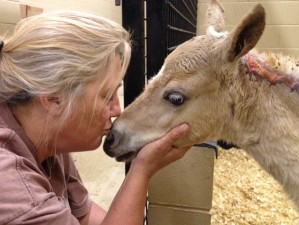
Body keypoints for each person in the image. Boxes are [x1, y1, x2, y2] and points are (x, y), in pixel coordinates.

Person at [0, 10, 191, 225]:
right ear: (53, 99)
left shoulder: (47, 137)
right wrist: (142, 170)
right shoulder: (16, 192)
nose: (118, 110)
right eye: (107, 96)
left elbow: (84, 214)